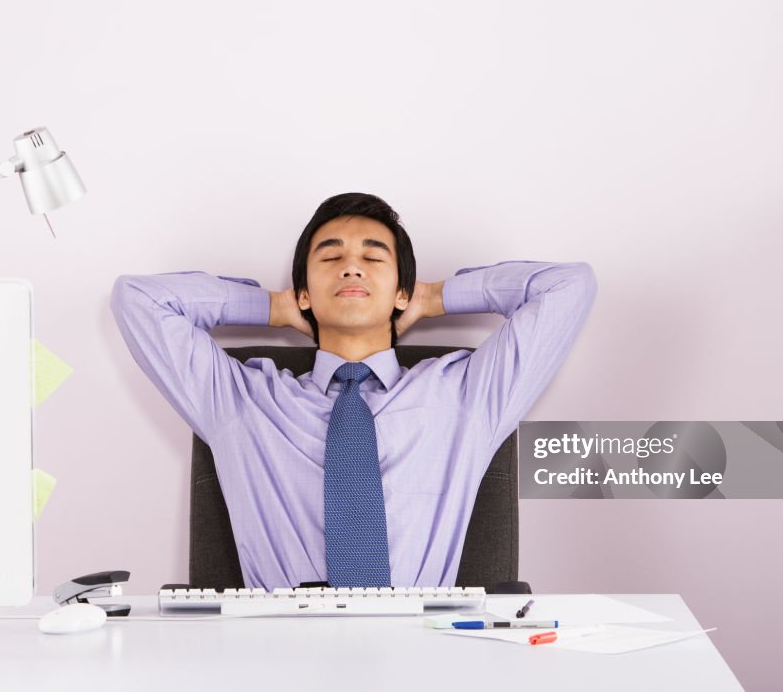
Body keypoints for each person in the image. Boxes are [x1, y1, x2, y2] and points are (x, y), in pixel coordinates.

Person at [111, 192, 597, 590]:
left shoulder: (467, 395)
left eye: (372, 257)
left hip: (421, 654)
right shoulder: (241, 400)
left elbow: (568, 286)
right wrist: (276, 305)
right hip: (277, 654)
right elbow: (139, 299)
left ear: (401, 291)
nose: (351, 268)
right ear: (305, 291)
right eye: (331, 257)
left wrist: (433, 296)